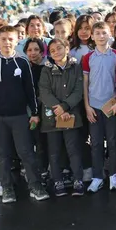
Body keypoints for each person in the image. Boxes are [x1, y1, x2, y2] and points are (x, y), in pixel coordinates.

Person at [0, 26, 49, 203]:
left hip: (19, 116)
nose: (7, 42)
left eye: (11, 39)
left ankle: (35, 186)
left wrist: (34, 113)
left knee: (26, 152)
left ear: (17, 41)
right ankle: (7, 188)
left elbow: (30, 90)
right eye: (3, 39)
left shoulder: (23, 63)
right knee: (2, 154)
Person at [40, 37, 86, 197]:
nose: (56, 52)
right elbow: (44, 92)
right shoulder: (46, 69)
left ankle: (78, 180)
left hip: (71, 115)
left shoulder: (76, 67)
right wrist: (58, 109)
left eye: (59, 48)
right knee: (54, 151)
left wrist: (65, 106)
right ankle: (57, 180)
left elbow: (78, 91)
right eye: (52, 51)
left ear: (67, 49)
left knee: (74, 149)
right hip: (52, 117)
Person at [82, 21, 116, 192]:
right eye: (97, 33)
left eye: (104, 33)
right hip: (94, 106)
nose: (100, 36)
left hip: (111, 105)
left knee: (113, 140)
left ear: (109, 34)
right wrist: (87, 106)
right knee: (96, 143)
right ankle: (97, 176)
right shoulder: (87, 57)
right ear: (92, 36)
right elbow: (85, 83)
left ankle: (113, 174)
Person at [24, 38, 50, 184]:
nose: (33, 53)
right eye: (29, 50)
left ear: (42, 51)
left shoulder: (48, 65)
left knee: (43, 143)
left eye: (36, 49)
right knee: (31, 142)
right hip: (29, 110)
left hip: (46, 109)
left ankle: (44, 170)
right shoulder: (24, 67)